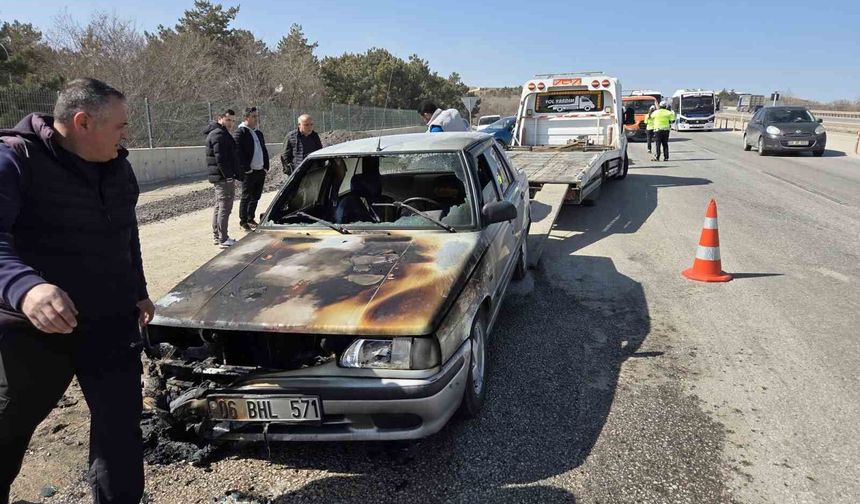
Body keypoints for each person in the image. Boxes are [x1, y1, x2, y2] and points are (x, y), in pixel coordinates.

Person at [0, 78, 155, 504]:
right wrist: (25, 288)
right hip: (32, 332)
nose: (127, 134)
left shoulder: (117, 165)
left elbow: (127, 233)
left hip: (109, 323)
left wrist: (137, 289)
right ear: (83, 122)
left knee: (120, 432)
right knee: (9, 429)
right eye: (120, 126)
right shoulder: (14, 158)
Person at [204, 109, 242, 247]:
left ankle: (217, 236)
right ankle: (223, 238)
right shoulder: (218, 135)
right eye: (228, 120)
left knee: (219, 206)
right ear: (220, 119)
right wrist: (228, 176)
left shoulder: (220, 133)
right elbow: (221, 159)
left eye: (232, 120)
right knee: (224, 207)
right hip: (223, 178)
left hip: (221, 177)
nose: (231, 123)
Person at [233, 107, 270, 231]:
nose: (256, 119)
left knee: (256, 196)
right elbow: (238, 153)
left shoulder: (258, 133)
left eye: (256, 116)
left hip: (260, 171)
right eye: (253, 116)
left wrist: (266, 167)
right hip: (250, 172)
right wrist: (246, 169)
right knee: (246, 197)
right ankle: (243, 221)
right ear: (246, 118)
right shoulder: (241, 132)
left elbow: (263, 150)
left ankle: (250, 218)